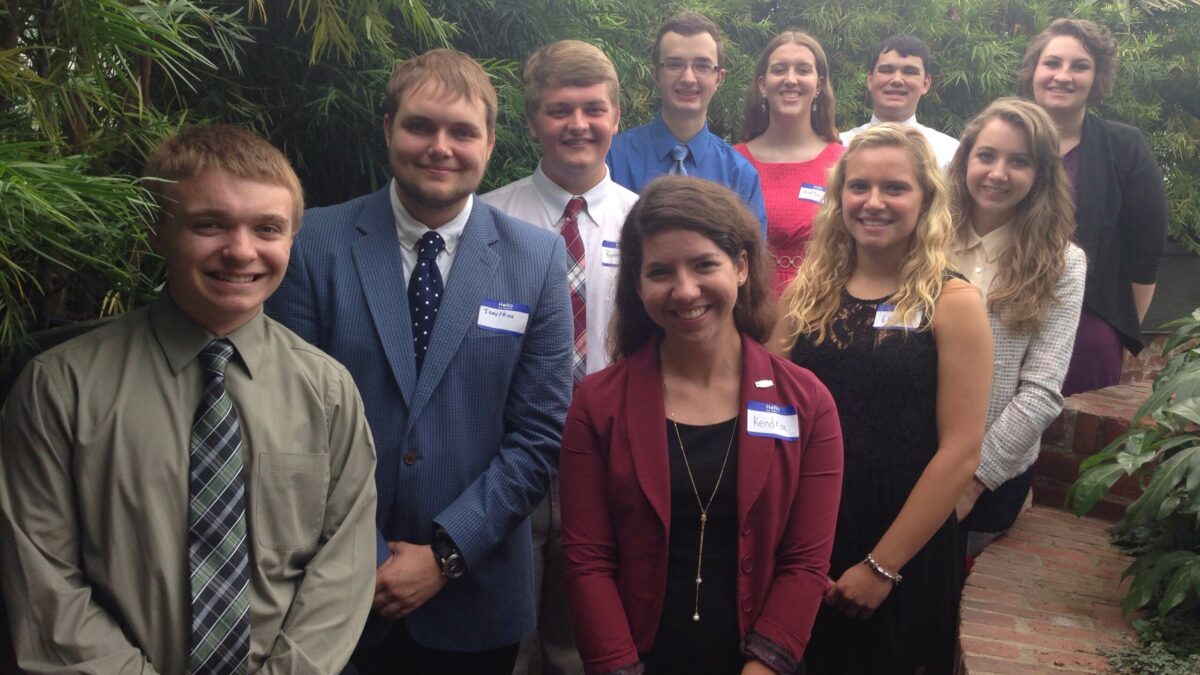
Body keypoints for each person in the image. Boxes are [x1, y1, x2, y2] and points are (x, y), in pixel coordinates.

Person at [0, 124, 378, 674]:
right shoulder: (60, 388)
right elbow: (44, 583)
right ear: (157, 230)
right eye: (209, 224)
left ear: (292, 238)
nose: (241, 251)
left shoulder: (328, 393)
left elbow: (342, 568)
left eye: (267, 228)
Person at [265, 49, 573, 674]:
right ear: (388, 129)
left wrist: (445, 554)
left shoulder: (537, 259)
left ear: (490, 142)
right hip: (332, 595)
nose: (440, 147)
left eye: (462, 131)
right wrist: (368, 555)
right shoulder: (314, 243)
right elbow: (288, 423)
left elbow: (540, 435)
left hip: (476, 597)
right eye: (420, 126)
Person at [561, 176, 844, 675]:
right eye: (660, 272)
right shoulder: (597, 404)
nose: (685, 289)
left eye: (704, 264)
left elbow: (804, 564)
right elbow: (588, 562)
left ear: (741, 267)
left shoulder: (807, 404)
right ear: (637, 285)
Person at [777, 124, 992, 674]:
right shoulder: (804, 296)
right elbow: (767, 409)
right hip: (809, 531)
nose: (873, 202)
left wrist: (881, 567)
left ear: (925, 200)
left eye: (894, 188)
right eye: (859, 187)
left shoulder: (954, 302)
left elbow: (961, 452)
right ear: (839, 197)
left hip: (903, 544)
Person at [480, 39, 637, 675]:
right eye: (559, 109)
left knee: (584, 635)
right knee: (507, 633)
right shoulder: (485, 220)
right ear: (531, 121)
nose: (578, 124)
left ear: (616, 117)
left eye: (594, 109)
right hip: (506, 455)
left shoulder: (645, 223)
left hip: (608, 454)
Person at [947, 98, 1087, 554]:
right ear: (965, 159)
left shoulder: (1062, 264)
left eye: (1019, 162)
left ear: (1041, 174)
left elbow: (1041, 391)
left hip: (990, 477)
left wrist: (973, 480)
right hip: (906, 457)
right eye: (986, 155)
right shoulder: (923, 239)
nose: (998, 173)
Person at [1018, 18, 1168, 395]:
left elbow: (1145, 254)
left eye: (1079, 66)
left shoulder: (1124, 148)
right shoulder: (1000, 140)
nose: (1063, 76)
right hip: (996, 318)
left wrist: (1116, 328)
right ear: (1034, 69)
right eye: (1052, 63)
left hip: (1085, 331)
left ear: (1096, 77)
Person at [606, 11, 768, 230]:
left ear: (719, 78)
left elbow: (751, 251)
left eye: (702, 66)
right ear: (655, 74)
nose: (688, 78)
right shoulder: (612, 159)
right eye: (674, 64)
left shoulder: (740, 176)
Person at [736, 30, 845, 295]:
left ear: (819, 85)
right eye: (780, 69)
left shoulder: (844, 162)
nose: (791, 79)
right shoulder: (733, 162)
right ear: (762, 84)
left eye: (803, 70)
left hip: (821, 306)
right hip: (747, 306)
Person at [840, 35, 959, 170]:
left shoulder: (949, 154)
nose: (897, 80)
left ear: (925, 84)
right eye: (887, 70)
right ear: (870, 79)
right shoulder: (840, 148)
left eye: (909, 72)